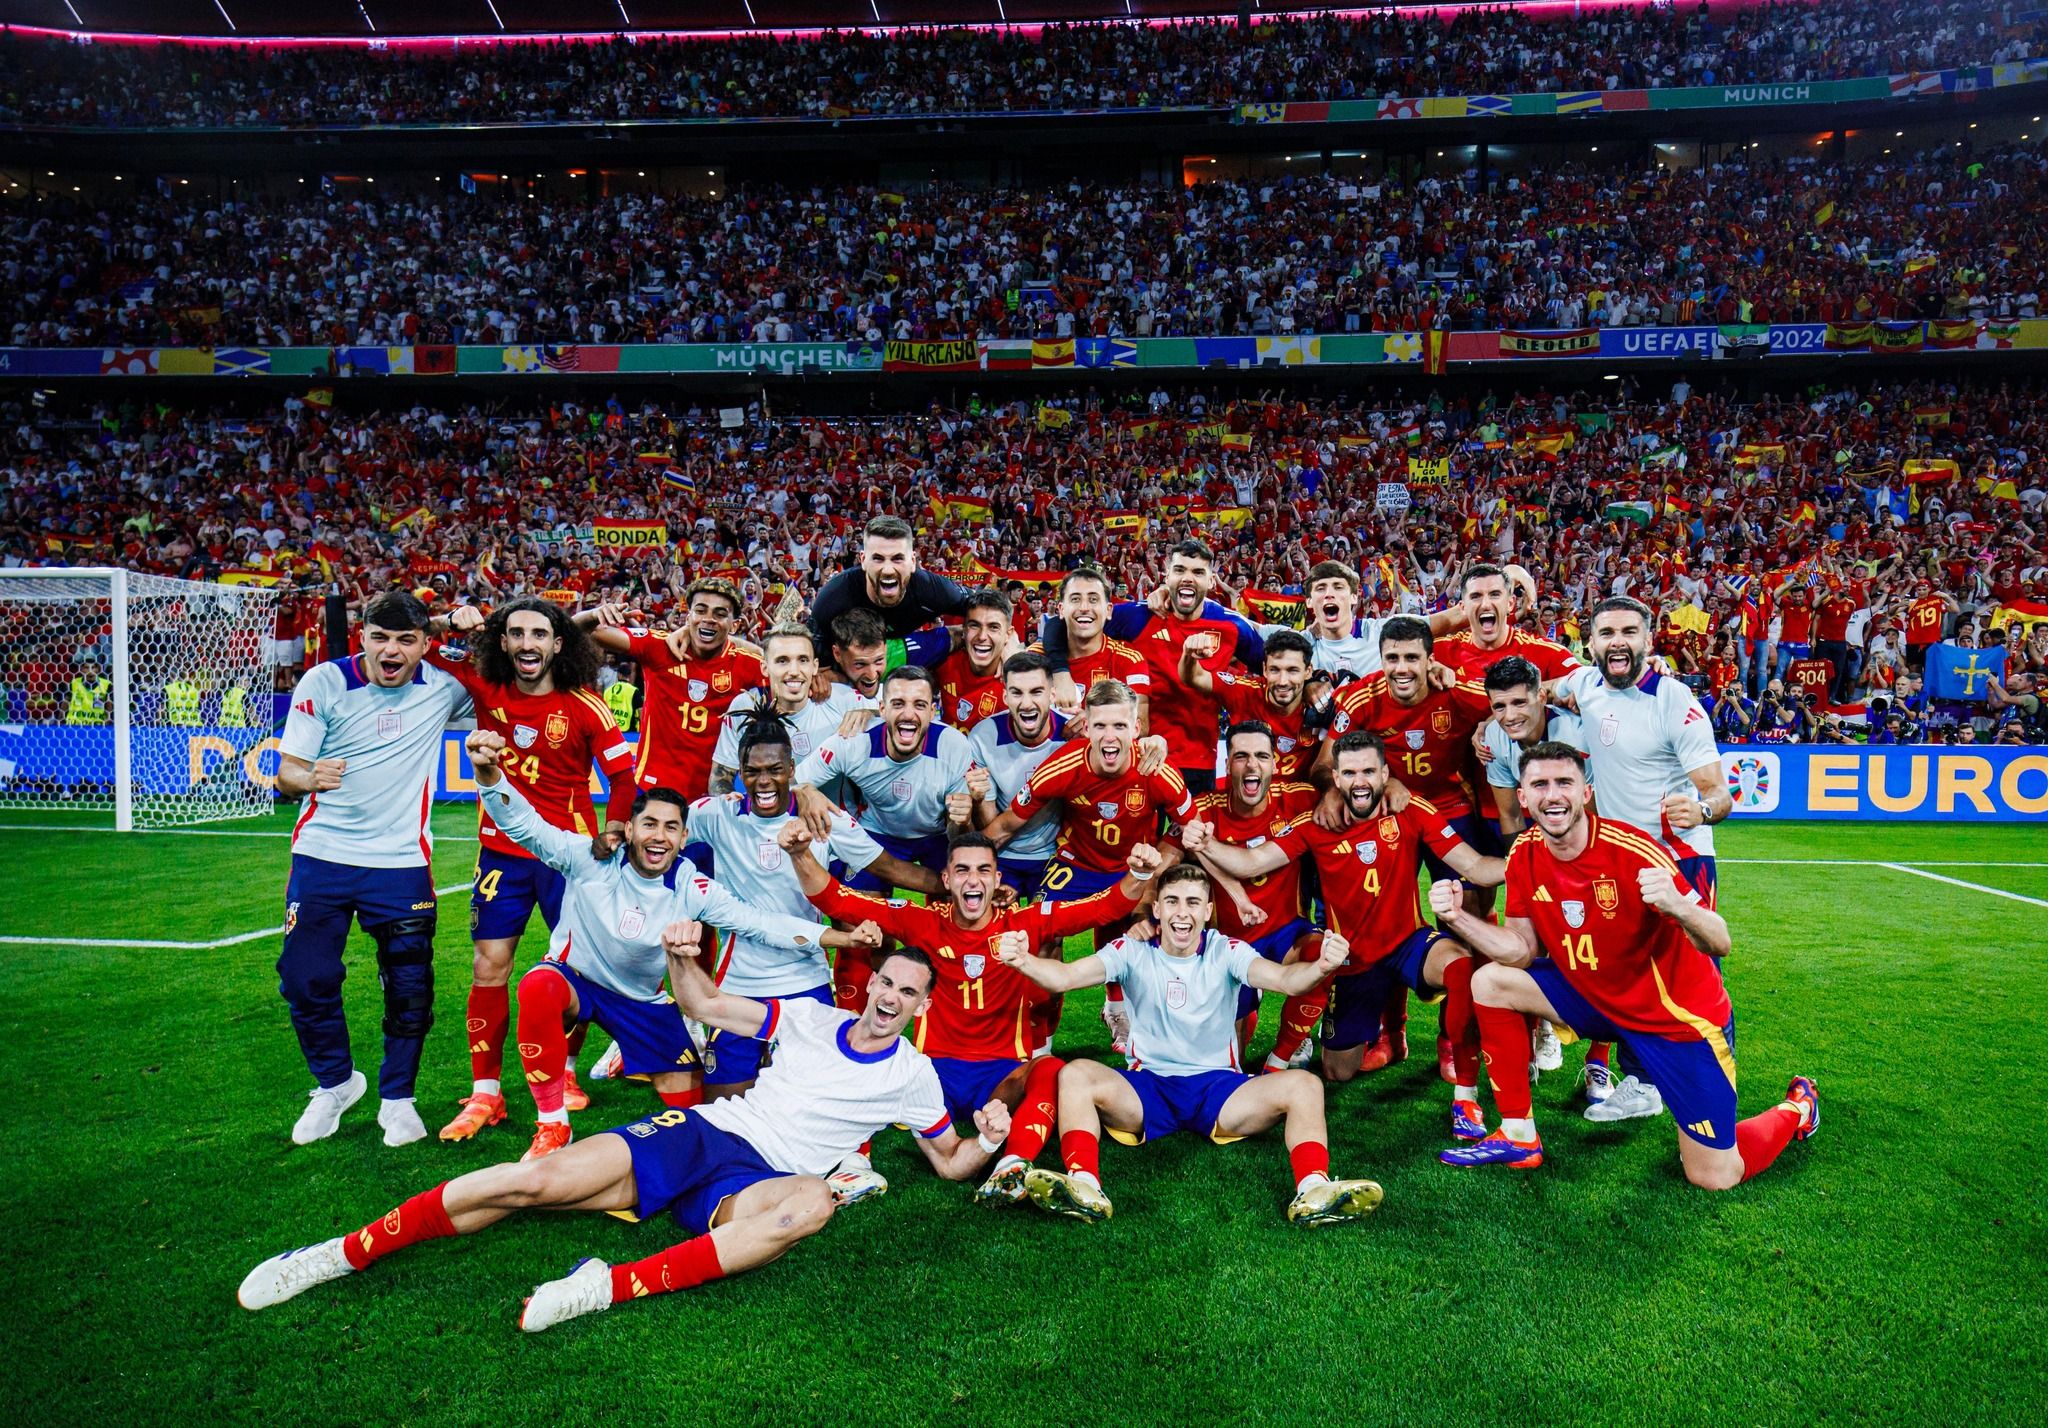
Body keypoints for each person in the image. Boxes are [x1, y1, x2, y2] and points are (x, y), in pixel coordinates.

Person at [237, 937, 1008, 1333]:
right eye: (886, 982)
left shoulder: (912, 1076)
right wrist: (679, 957)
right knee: (531, 1184)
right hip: (705, 1132)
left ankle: (603, 1285)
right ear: (869, 982)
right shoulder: (809, 1017)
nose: (890, 998)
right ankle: (336, 1254)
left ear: (921, 1006)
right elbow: (706, 1006)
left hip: (758, 1182)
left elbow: (949, 1162)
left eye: (908, 992)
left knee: (812, 1205)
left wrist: (990, 1140)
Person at [465, 728, 877, 1161]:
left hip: (643, 1003)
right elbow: (524, 825)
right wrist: (490, 775)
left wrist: (840, 937)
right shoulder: (589, 858)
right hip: (577, 982)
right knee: (537, 985)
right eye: (649, 825)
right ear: (629, 829)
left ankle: (642, 1063)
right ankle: (553, 1124)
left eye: (671, 828)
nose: (658, 837)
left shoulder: (692, 887)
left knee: (699, 1118)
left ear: (684, 838)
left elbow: (759, 922)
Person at [1432, 743, 1818, 1187]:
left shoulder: (1633, 850)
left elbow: (1720, 941)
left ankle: (1798, 1108)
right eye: (1539, 784)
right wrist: (1458, 919)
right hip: (1594, 999)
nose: (1552, 795)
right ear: (1522, 797)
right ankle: (1518, 1135)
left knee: (1714, 1175)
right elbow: (1520, 950)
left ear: (1586, 792)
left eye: (1564, 783)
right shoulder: (1524, 852)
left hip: (1673, 1019)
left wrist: (1678, 905)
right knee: (1491, 981)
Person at [780, 824, 1163, 1205]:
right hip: (932, 1075)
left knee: (1049, 1069)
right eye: (962, 870)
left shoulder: (1025, 923)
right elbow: (836, 901)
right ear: (947, 879)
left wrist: (1140, 874)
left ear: (997, 879)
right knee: (869, 1056)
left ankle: (1012, 1166)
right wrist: (799, 854)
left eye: (983, 870)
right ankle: (856, 1165)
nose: (973, 880)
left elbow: (1105, 907)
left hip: (1001, 1077)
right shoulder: (921, 921)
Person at [992, 864, 1384, 1228]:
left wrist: (1321, 966)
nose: (1183, 913)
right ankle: (1084, 1184)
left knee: (1306, 1085)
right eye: (1173, 902)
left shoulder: (1226, 950)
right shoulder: (1130, 950)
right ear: (1157, 909)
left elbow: (1285, 981)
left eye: (1193, 902)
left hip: (1219, 1088)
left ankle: (1313, 1189)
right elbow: (1064, 977)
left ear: (1208, 910)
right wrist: (1022, 960)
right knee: (1076, 1073)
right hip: (1147, 1086)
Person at [1184, 731, 1503, 1129]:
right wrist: (1206, 845)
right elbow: (1250, 863)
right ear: (1336, 778)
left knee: (1460, 967)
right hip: (1352, 960)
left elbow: (1475, 867)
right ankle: (1383, 1028)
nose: (1360, 781)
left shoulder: (1412, 810)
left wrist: (1528, 858)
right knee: (1338, 1070)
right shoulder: (1314, 823)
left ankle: (1466, 1098)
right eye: (1350, 773)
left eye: (1369, 771)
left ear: (1385, 774)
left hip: (1408, 942)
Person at [425, 599, 639, 1142]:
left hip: (568, 857)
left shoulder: (587, 705)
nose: (527, 643)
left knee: (575, 969)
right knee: (488, 967)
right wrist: (450, 619)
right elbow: (415, 642)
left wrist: (614, 830)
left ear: (557, 644)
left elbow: (623, 779)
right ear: (501, 641)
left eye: (539, 634)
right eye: (516, 633)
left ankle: (564, 1072)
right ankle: (486, 1093)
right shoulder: (486, 687)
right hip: (501, 854)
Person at [273, 590, 475, 1148]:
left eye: (406, 640)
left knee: (410, 987)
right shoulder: (324, 682)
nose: (391, 651)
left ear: (425, 644)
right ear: (361, 636)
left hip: (400, 862)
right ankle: (335, 1085)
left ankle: (398, 1099)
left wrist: (457, 624)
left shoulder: (444, 687)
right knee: (304, 977)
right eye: (380, 638)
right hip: (323, 855)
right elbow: (288, 771)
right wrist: (308, 778)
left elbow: (513, 672)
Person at [684, 708, 939, 1102]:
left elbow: (889, 867)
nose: (764, 781)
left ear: (791, 769)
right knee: (722, 1106)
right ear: (740, 772)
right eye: (753, 771)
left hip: (806, 982)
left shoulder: (822, 818)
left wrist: (952, 888)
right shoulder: (716, 815)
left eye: (775, 770)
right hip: (739, 984)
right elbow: (664, 830)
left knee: (811, 1101)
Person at [1555, 596, 1731, 1122]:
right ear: (1590, 642)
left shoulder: (1673, 699)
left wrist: (1701, 809)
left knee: (1697, 968)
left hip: (1678, 858)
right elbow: (1544, 690)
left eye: (1629, 632)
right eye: (1607, 632)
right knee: (1633, 968)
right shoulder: (1585, 684)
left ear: (1648, 641)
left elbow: (1719, 792)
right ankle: (1644, 1081)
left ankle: (1716, 1072)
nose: (1618, 642)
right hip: (1621, 860)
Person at [981, 678, 1191, 1050]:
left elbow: (1191, 826)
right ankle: (1041, 1045)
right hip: (1076, 864)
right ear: (1086, 727)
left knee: (1145, 935)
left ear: (1136, 728)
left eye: (1119, 726)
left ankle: (1122, 1011)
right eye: (1100, 726)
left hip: (1132, 869)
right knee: (1042, 939)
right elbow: (1006, 825)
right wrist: (975, 870)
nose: (1110, 737)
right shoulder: (1062, 765)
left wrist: (1155, 871)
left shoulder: (1155, 768)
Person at [793, 664, 975, 1005]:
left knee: (959, 921)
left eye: (919, 704)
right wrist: (805, 791)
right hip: (878, 833)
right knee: (857, 926)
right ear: (882, 708)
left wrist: (962, 822)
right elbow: (794, 781)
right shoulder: (853, 741)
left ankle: (945, 1009)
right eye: (898, 703)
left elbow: (961, 832)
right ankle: (854, 1016)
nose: (908, 713)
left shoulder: (954, 745)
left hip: (936, 836)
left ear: (933, 710)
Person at [1043, 539, 1263, 793]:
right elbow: (1060, 623)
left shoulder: (1232, 626)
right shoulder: (1140, 616)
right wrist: (1061, 673)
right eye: (1179, 570)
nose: (1188, 578)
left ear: (1212, 581)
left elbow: (1272, 666)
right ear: (1166, 577)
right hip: (1137, 755)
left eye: (1198, 572)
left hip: (1197, 760)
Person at [1184, 720, 1321, 1057]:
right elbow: (1165, 861)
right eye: (1241, 756)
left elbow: (1350, 792)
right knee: (1224, 1061)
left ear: (1275, 763)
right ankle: (1245, 1006)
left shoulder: (1301, 799)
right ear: (1227, 763)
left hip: (1286, 933)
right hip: (1227, 943)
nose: (1252, 765)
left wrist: (1389, 784)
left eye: (1261, 756)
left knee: (1322, 953)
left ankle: (1287, 1049)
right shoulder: (1203, 808)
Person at [584, 578, 763, 801]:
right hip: (652, 791)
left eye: (719, 614)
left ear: (734, 625)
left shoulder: (747, 664)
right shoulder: (659, 647)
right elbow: (580, 632)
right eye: (700, 611)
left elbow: (782, 664)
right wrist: (594, 614)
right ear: (688, 617)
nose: (708, 619)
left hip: (709, 798)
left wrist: (733, 640)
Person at [967, 651, 1071, 901]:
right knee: (990, 920)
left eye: (1036, 692)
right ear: (1005, 696)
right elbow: (989, 820)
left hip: (1054, 854)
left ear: (1052, 695)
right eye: (1016, 693)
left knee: (1049, 926)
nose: (1026, 703)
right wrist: (978, 799)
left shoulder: (1073, 735)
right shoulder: (983, 737)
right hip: (1001, 853)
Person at [707, 623, 843, 792]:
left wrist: (867, 713)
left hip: (831, 809)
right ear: (765, 668)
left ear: (814, 666)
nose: (794, 671)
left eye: (803, 660)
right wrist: (730, 805)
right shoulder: (746, 706)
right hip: (764, 807)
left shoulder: (841, 700)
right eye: (782, 661)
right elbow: (720, 779)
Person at [806, 514, 972, 644]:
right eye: (878, 558)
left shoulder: (933, 589)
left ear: (912, 562)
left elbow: (982, 603)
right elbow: (812, 656)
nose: (887, 570)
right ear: (863, 560)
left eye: (897, 558)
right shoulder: (833, 596)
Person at [1177, 628, 1320, 779]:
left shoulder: (1322, 704)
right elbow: (1195, 677)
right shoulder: (1245, 691)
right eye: (1274, 670)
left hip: (1299, 794)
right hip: (1242, 793)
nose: (1282, 681)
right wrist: (1189, 655)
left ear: (1308, 671)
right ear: (1264, 669)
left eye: (1292, 670)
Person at [1034, 565, 1150, 723]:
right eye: (1075, 599)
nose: (1084, 608)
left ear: (1108, 610)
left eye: (1093, 600)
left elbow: (1141, 724)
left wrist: (1092, 724)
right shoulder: (1036, 657)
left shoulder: (1129, 660)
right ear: (1061, 610)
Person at [932, 589, 1014, 729]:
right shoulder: (944, 662)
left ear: (1008, 635)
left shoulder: (1018, 681)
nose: (982, 636)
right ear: (963, 630)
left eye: (993, 627)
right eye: (974, 625)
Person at [65, 657, 110, 725]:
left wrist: (106, 723)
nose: (90, 671)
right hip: (75, 725)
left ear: (98, 669)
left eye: (93, 667)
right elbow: (65, 703)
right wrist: (60, 720)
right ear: (81, 669)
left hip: (97, 726)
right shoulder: (74, 683)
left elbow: (109, 708)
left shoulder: (106, 685)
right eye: (86, 668)